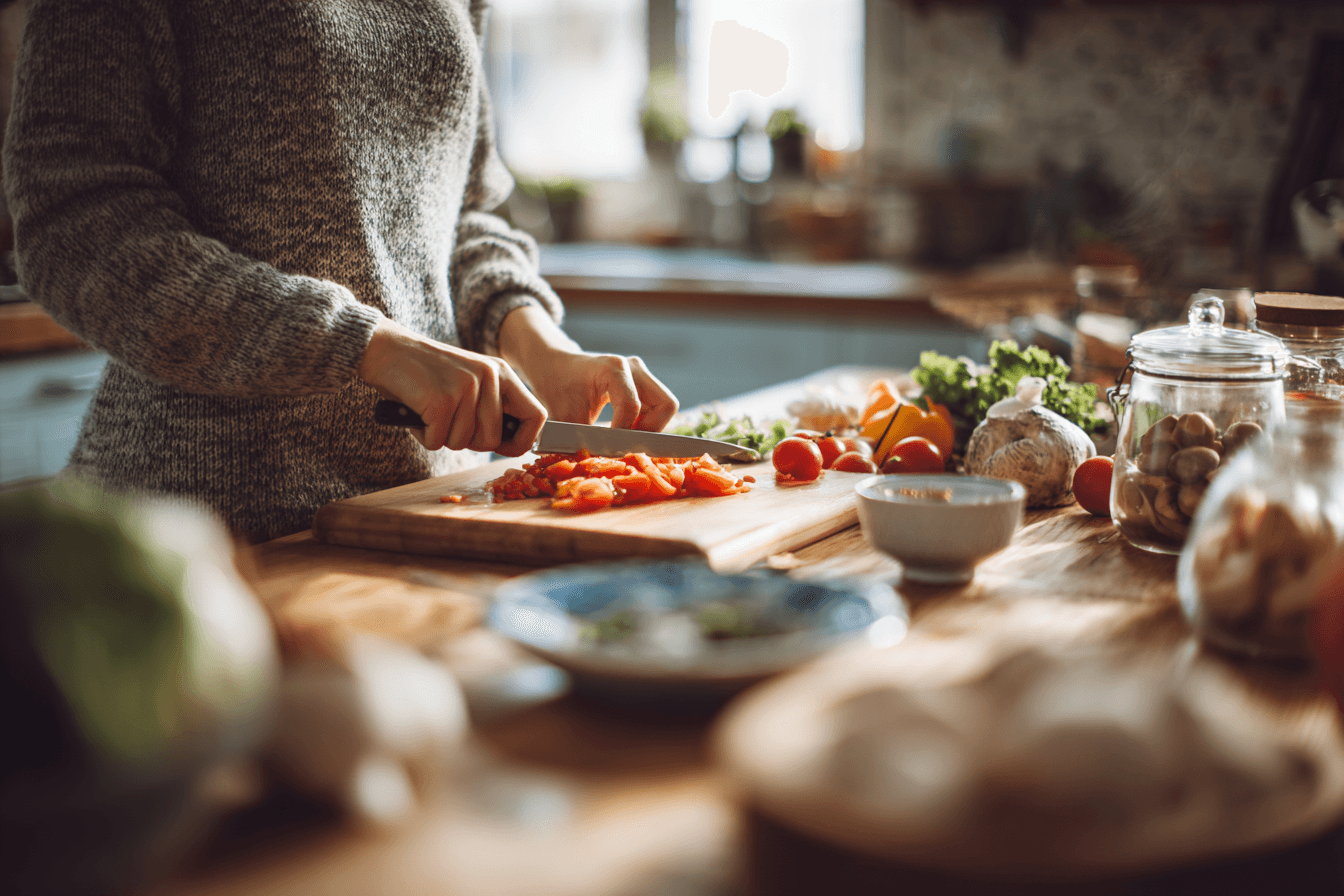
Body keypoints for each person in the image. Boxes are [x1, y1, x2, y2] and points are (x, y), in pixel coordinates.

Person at [3, 0, 678, 542]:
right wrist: (366, 345)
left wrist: (537, 342)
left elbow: (462, 216)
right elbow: (73, 223)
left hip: (429, 511)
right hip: (203, 537)